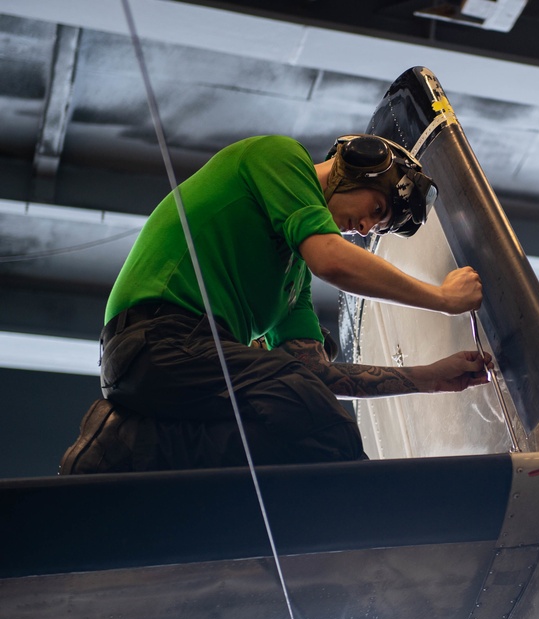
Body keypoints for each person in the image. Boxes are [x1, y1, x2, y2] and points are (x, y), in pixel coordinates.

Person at [59, 134, 488, 473]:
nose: (364, 227)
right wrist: (442, 298)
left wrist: (430, 378)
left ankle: (124, 442)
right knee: (320, 419)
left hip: (182, 362)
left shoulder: (292, 279)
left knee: (289, 430)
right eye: (375, 208)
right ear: (357, 165)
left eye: (377, 225)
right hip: (154, 338)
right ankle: (364, 511)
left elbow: (315, 374)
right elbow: (332, 260)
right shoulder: (281, 158)